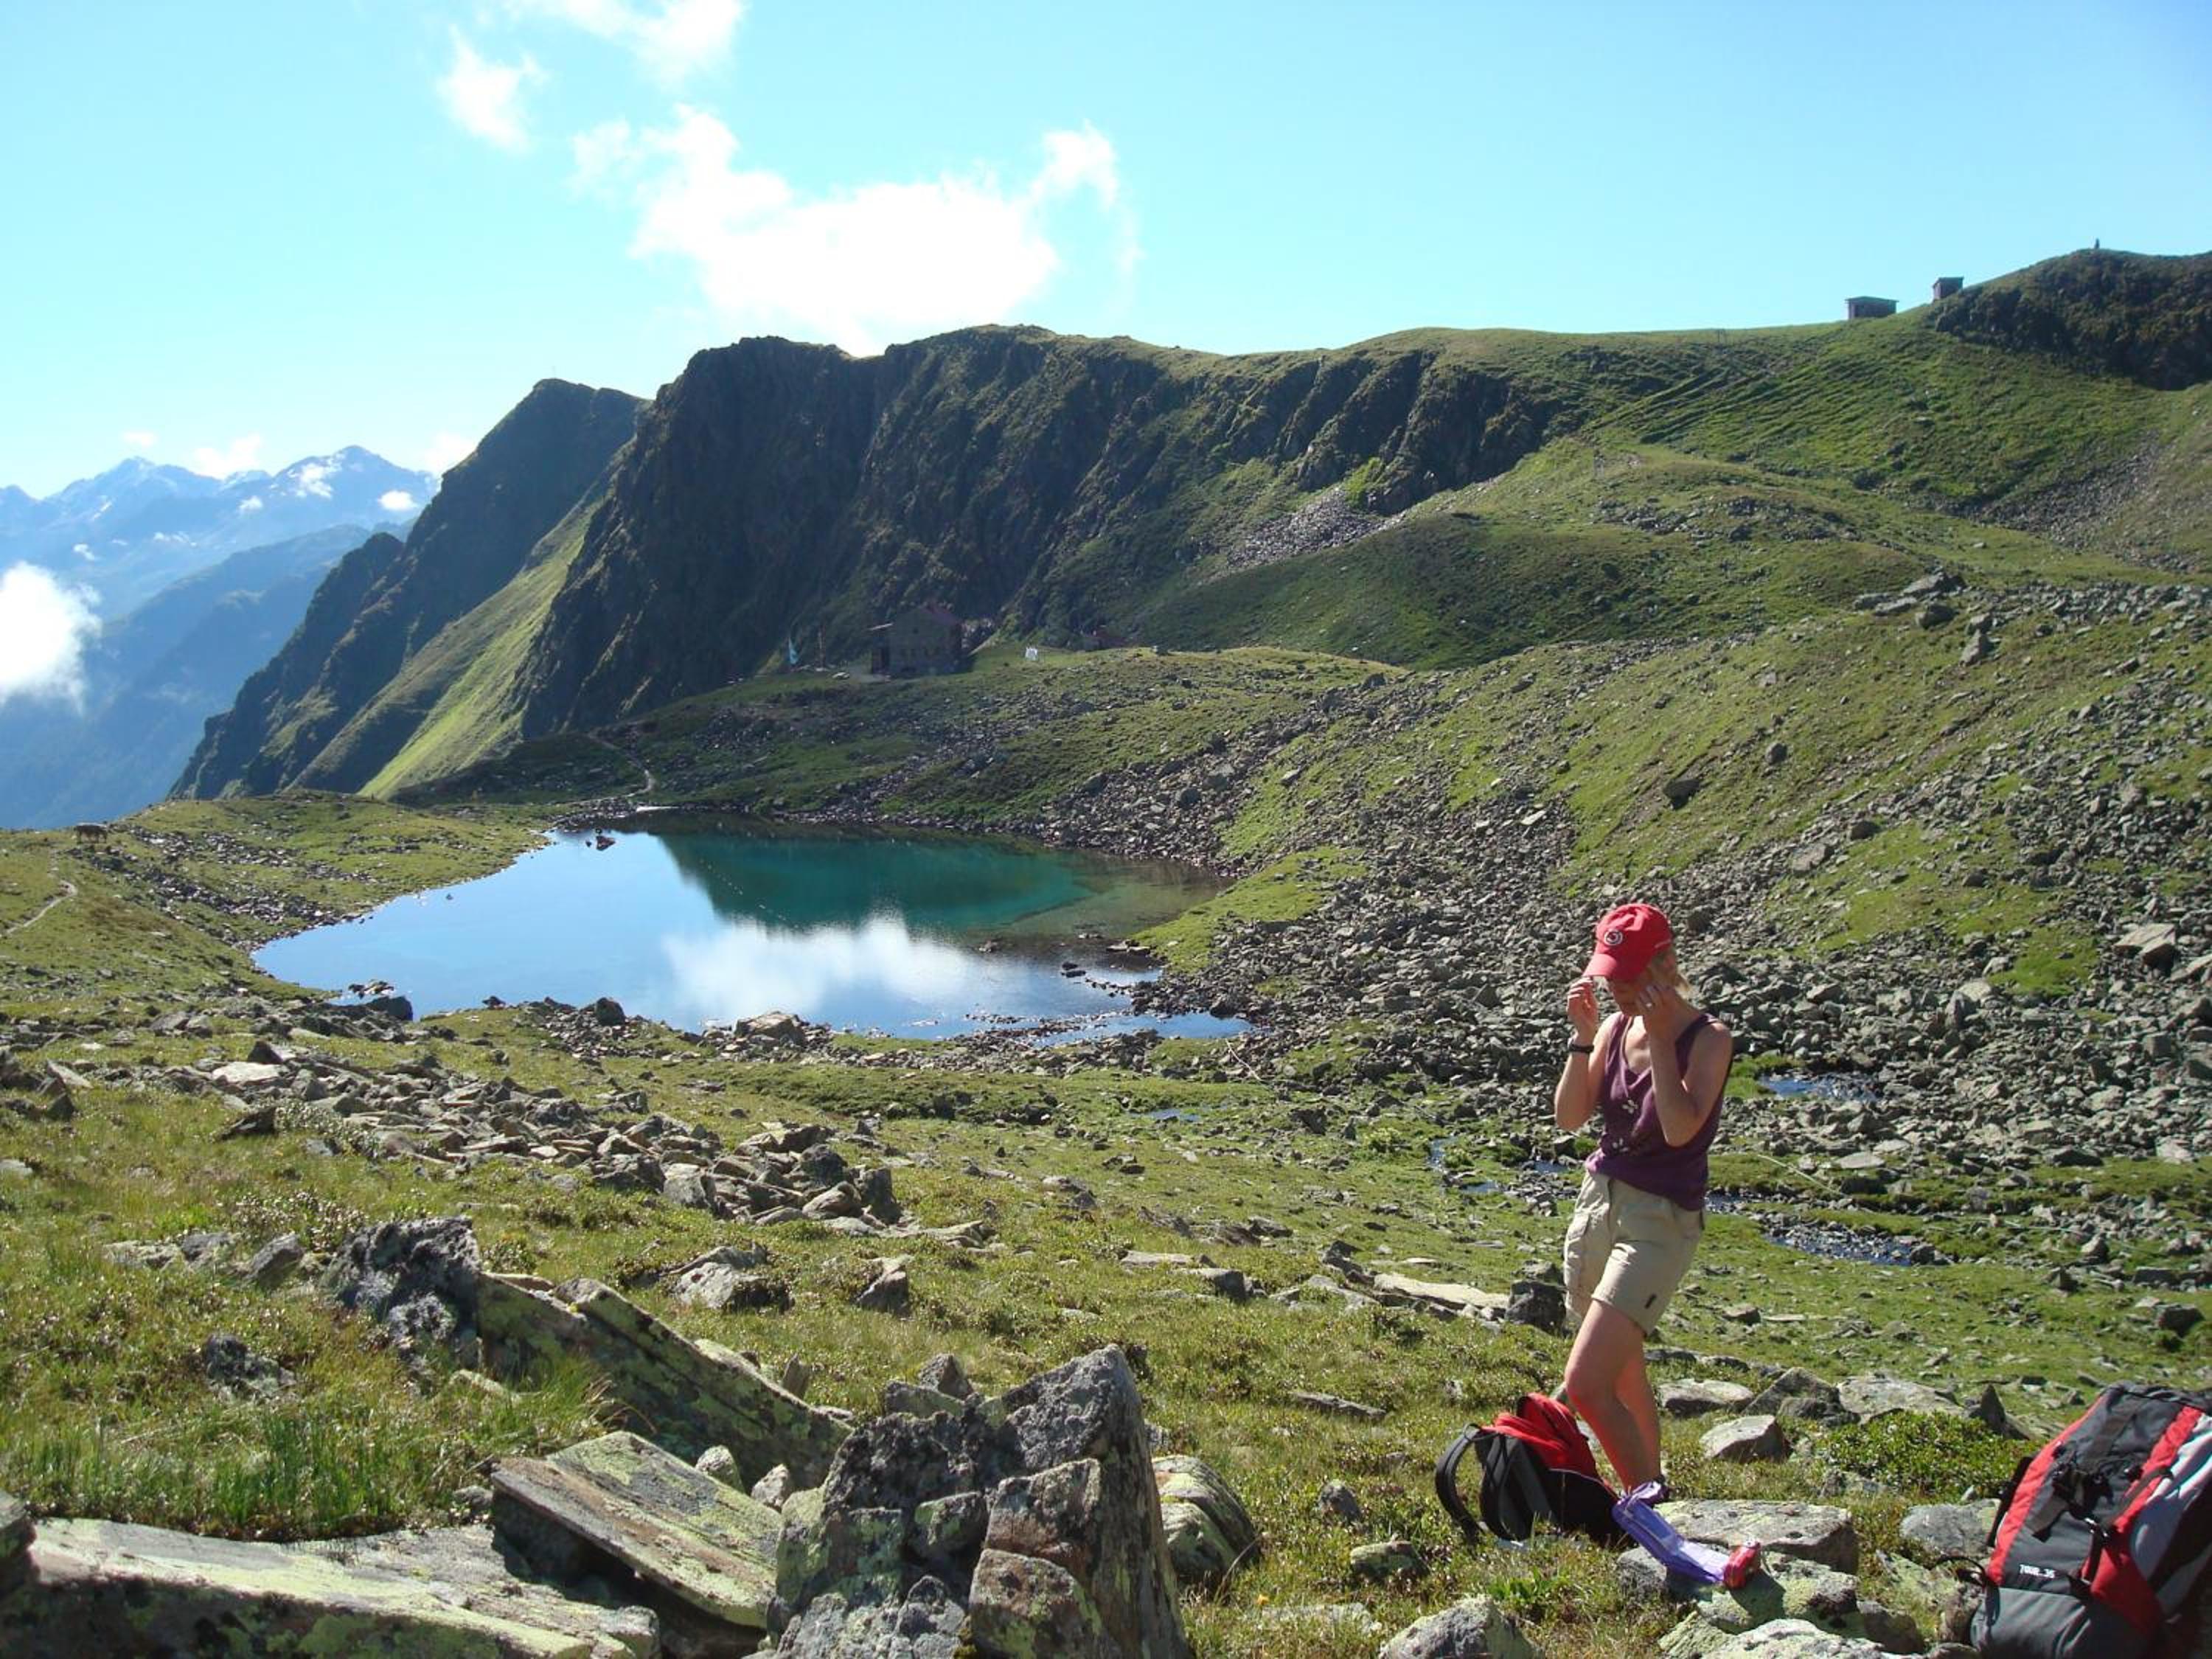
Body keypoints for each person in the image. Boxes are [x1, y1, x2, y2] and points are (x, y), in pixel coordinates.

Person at [1551, 901, 1733, 1494]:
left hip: (1659, 1221)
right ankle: (1652, 1489)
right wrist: (1584, 1039)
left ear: (1665, 964)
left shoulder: (1708, 1040)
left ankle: (1646, 1515)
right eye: (1611, 976)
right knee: (1623, 1372)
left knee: (1586, 1383)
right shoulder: (1612, 1028)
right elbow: (1570, 1118)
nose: (1619, 989)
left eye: (1630, 976)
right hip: (1600, 1203)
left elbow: (1681, 1129)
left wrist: (1657, 1039)